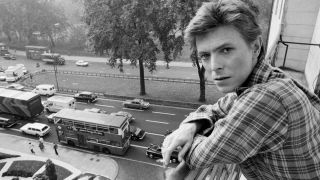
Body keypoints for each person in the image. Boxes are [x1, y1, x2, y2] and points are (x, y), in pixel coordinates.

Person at [161, 0, 320, 180]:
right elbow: (217, 108)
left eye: (226, 50)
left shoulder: (267, 98)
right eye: (205, 55)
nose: (214, 66)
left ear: (255, 47)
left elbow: (201, 155)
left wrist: (184, 138)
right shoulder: (264, 79)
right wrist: (190, 126)